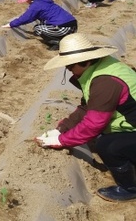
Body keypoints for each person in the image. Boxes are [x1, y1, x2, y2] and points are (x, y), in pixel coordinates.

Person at [37, 33, 136, 202]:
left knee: (107, 145)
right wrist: (61, 129)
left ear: (85, 61)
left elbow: (93, 124)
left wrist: (63, 140)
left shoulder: (105, 81)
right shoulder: (99, 69)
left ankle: (129, 188)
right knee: (103, 139)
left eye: (70, 66)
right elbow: (86, 107)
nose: (68, 69)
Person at [1, 0, 77, 47]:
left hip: (65, 28)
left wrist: (11, 24)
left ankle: (57, 43)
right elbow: (33, 17)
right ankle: (62, 38)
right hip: (73, 25)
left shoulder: (36, 5)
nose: (26, 2)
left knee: (38, 28)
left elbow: (26, 18)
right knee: (43, 22)